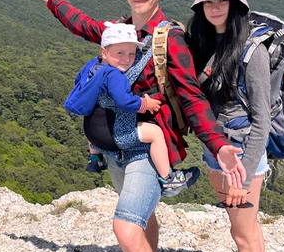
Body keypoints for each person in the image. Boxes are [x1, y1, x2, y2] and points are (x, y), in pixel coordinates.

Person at [29, 0, 246, 252]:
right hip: (115, 147)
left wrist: (218, 145)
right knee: (143, 222)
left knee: (125, 227)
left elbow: (191, 96)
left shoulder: (170, 40)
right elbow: (85, 26)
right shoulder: (119, 31)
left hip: (147, 147)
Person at [186, 0, 275, 252]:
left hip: (242, 157)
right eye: (208, 1)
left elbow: (263, 119)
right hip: (216, 152)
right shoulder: (206, 43)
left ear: (237, 5)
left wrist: (245, 172)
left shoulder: (253, 52)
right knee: (246, 228)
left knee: (242, 235)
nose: (214, 7)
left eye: (222, 0)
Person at [64, 21, 201, 198]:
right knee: (155, 134)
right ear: (104, 51)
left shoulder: (93, 65)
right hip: (114, 136)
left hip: (92, 133)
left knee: (97, 110)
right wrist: (146, 104)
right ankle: (169, 179)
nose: (127, 59)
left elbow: (78, 81)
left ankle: (95, 158)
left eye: (131, 53)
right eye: (120, 53)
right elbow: (125, 102)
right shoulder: (114, 75)